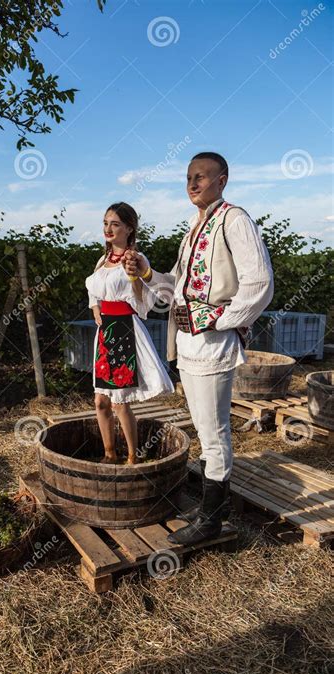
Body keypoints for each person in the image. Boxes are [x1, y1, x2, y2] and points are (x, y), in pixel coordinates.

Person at [123, 153, 273, 541]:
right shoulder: (194, 227)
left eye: (201, 177)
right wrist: (145, 270)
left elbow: (259, 284)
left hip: (213, 344)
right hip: (189, 344)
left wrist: (217, 319)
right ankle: (211, 508)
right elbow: (174, 287)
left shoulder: (233, 219)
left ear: (222, 180)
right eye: (189, 177)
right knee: (206, 428)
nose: (192, 183)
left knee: (214, 431)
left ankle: (211, 521)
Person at [85, 202, 174, 465]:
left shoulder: (135, 258)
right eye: (105, 223)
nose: (108, 229)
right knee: (100, 401)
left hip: (124, 329)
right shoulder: (103, 260)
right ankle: (109, 453)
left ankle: (133, 456)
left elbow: (143, 301)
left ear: (129, 228)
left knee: (119, 402)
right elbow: (94, 289)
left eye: (115, 224)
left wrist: (135, 277)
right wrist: (94, 308)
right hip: (104, 332)